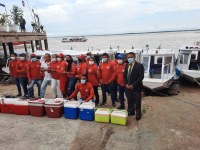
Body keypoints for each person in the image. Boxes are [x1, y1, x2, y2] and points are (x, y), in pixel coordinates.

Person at [123, 52, 144, 121]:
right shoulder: (126, 65)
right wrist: (126, 84)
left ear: (134, 57)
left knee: (137, 101)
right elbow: (124, 76)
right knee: (130, 100)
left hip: (136, 87)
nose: (130, 58)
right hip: (127, 87)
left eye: (131, 57)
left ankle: (138, 114)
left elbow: (141, 77)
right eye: (128, 57)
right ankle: (131, 111)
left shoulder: (140, 65)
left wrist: (133, 85)